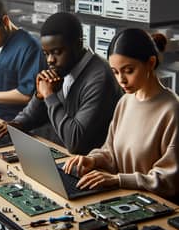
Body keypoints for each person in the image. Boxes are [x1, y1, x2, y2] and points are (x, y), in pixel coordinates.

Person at [63, 28, 179, 202]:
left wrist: (118, 180)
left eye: (128, 70)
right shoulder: (125, 101)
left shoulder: (172, 110)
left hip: (157, 207)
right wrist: (92, 160)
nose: (121, 80)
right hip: (123, 199)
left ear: (151, 63)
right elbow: (110, 152)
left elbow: (168, 180)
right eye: (115, 72)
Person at [0, 12, 122, 154]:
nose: (50, 60)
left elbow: (75, 142)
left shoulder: (100, 78)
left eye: (56, 52)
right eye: (46, 53)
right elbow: (34, 115)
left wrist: (49, 95)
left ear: (78, 44)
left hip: (87, 165)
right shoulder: (62, 65)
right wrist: (18, 122)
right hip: (57, 150)